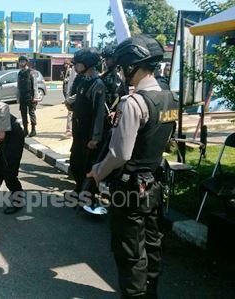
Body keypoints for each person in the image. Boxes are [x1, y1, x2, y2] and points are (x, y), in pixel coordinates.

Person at [87, 35, 178, 298]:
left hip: (129, 189)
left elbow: (120, 153)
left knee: (129, 251)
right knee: (152, 243)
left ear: (131, 65)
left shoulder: (134, 103)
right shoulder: (170, 98)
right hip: (154, 183)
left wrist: (97, 172)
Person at [69, 47, 106, 194]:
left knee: (86, 166)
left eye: (77, 63)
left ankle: (87, 197)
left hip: (88, 135)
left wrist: (95, 138)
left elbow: (99, 114)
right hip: (78, 132)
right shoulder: (84, 81)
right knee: (75, 164)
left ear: (87, 64)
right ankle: (78, 189)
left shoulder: (97, 84)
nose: (75, 66)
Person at [17, 55, 39, 137]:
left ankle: (33, 130)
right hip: (22, 96)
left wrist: (35, 97)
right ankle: (25, 130)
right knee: (23, 114)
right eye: (20, 61)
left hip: (30, 96)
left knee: (31, 113)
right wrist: (18, 97)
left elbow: (35, 85)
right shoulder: (19, 73)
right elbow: (18, 87)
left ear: (26, 62)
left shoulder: (31, 72)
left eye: (23, 61)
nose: (21, 63)